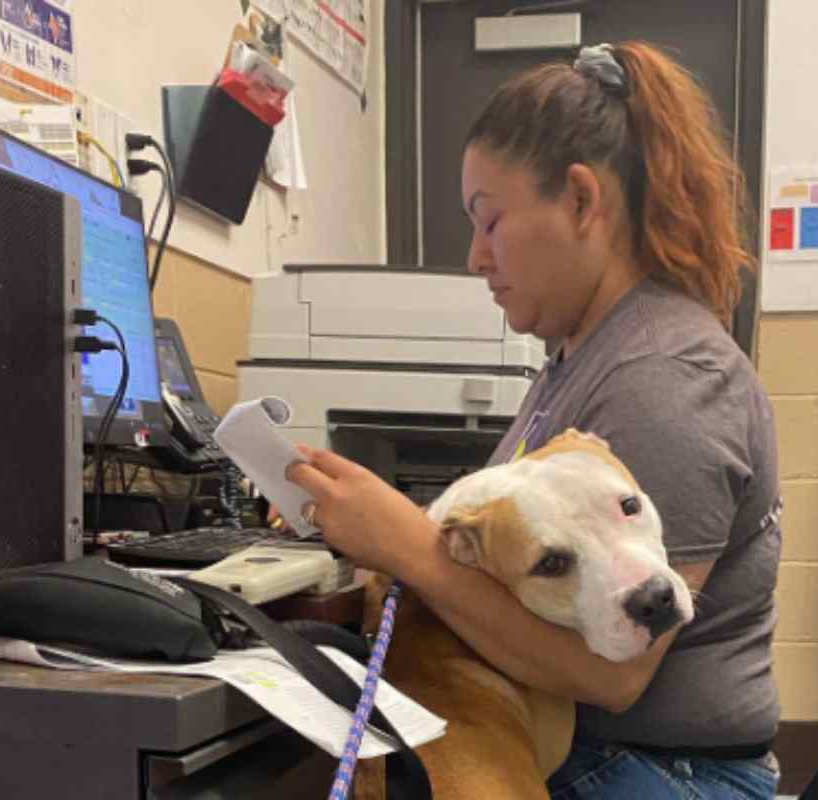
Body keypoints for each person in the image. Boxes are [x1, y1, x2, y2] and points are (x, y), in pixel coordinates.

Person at [285, 40, 782, 799]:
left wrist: (410, 547)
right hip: (596, 748)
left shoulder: (661, 378)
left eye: (489, 222)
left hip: (661, 770)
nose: (477, 256)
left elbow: (610, 675)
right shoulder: (579, 357)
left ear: (581, 201)